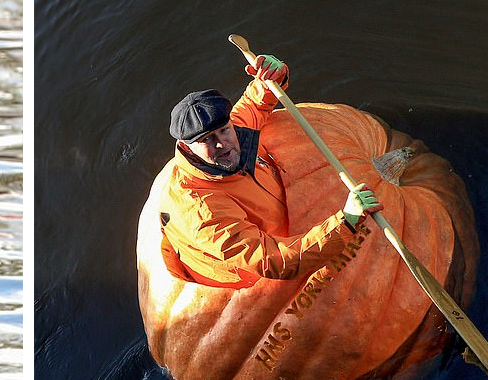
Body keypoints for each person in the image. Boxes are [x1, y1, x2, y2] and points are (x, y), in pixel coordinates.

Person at [159, 55, 381, 288]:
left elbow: (254, 105)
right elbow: (274, 262)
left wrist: (270, 78)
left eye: (224, 131)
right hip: (246, 270)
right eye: (206, 140)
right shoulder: (203, 211)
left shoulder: (234, 131)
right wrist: (346, 222)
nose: (221, 145)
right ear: (186, 147)